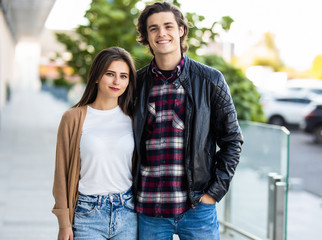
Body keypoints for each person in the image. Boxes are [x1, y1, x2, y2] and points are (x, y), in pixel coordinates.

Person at [132, 2, 244, 240]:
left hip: (196, 208)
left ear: (181, 30)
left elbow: (232, 140)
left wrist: (213, 193)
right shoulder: (136, 83)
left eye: (168, 26)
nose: (161, 33)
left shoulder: (211, 80)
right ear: (146, 36)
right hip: (149, 209)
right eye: (153, 28)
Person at [52, 47, 137, 240]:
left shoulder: (133, 119)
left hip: (128, 212)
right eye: (110, 74)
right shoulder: (73, 118)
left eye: (124, 76)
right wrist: (64, 224)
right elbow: (61, 173)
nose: (117, 81)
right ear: (97, 76)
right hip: (87, 214)